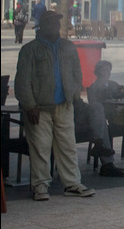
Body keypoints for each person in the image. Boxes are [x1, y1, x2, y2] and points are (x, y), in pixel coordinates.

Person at [14, 11, 95, 200]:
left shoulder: (67, 47)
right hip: (38, 108)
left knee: (68, 146)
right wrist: (29, 105)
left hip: (64, 105)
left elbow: (77, 72)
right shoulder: (30, 50)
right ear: (41, 27)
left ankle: (72, 184)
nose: (55, 26)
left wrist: (74, 94)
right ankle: (40, 186)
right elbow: (22, 81)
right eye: (50, 23)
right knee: (40, 148)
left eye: (57, 23)